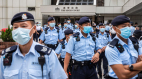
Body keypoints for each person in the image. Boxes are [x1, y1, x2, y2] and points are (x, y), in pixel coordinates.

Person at [0, 12, 67, 79]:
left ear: (34, 29)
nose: (19, 30)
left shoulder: (48, 55)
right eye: (15, 27)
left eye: (24, 26)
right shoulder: (5, 56)